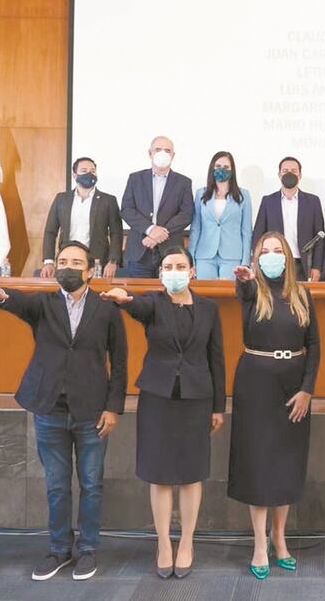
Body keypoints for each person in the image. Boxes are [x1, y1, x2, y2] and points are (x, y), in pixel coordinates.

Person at [0, 241, 127, 582]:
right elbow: (16, 302)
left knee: (91, 484)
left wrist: (113, 408)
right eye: (62, 261)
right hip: (50, 409)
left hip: (92, 411)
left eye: (76, 262)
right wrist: (0, 295)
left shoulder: (106, 309)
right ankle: (59, 549)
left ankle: (87, 549)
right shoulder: (43, 304)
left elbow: (118, 363)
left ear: (90, 270)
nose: (68, 267)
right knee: (57, 485)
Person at [100, 247, 226, 579]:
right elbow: (136, 305)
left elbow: (217, 359)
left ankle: (186, 542)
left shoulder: (209, 309)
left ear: (193, 271)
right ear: (160, 274)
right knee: (159, 475)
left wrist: (218, 407)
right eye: (168, 267)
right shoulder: (154, 303)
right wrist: (123, 297)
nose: (174, 271)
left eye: (180, 266)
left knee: (190, 474)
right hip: (158, 397)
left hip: (197, 399)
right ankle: (163, 543)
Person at [229, 232, 320, 579]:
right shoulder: (253, 291)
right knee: (259, 463)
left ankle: (279, 538)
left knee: (285, 463)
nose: (271, 256)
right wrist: (247, 281)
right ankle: (258, 543)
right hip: (255, 384)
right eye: (264, 251)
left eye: (276, 251)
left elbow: (314, 344)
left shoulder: (300, 293)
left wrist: (307, 390)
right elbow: (245, 290)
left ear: (287, 256)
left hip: (293, 386)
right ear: (256, 257)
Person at [119, 136, 194, 277]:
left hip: (171, 253)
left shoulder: (184, 182)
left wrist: (158, 235)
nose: (163, 154)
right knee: (139, 298)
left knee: (170, 297)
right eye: (158, 149)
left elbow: (186, 214)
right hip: (140, 251)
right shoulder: (135, 179)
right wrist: (151, 229)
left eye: (167, 150)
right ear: (150, 153)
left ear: (173, 155)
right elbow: (127, 209)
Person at [41, 157, 123, 279]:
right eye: (84, 171)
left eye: (93, 171)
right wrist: (48, 262)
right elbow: (50, 232)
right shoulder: (61, 199)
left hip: (96, 262)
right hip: (67, 259)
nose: (89, 174)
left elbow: (116, 233)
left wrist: (113, 261)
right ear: (74, 175)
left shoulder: (108, 200)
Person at [252, 156, 325, 281]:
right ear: (279, 175)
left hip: (301, 265)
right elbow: (258, 234)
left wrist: (317, 267)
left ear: (300, 175)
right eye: (285, 171)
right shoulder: (268, 201)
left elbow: (320, 236)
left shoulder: (313, 201)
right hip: (273, 263)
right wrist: (255, 262)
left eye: (294, 171)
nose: (289, 174)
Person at [190, 151, 253, 279]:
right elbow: (196, 228)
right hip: (204, 255)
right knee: (205, 295)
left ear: (232, 170)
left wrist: (245, 262)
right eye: (218, 166)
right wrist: (190, 258)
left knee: (230, 294)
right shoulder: (200, 193)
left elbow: (246, 231)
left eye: (226, 167)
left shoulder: (243, 195)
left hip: (232, 255)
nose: (221, 170)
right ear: (212, 168)